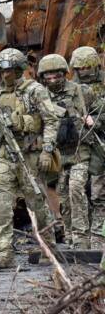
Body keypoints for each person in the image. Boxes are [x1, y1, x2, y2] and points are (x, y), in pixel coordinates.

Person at [0, 48, 58, 268]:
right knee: (2, 207)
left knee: (37, 204)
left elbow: (51, 121)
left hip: (29, 155)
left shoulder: (35, 91)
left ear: (20, 69)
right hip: (5, 156)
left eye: (10, 71)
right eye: (2, 71)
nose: (6, 75)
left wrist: (47, 150)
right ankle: (4, 255)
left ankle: (48, 248)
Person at [38, 54, 90, 248]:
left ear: (64, 74)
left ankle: (81, 238)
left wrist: (88, 119)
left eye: (56, 77)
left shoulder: (78, 90)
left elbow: (89, 112)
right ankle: (69, 236)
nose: (52, 81)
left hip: (79, 151)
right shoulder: (41, 94)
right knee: (63, 196)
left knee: (76, 189)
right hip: (57, 154)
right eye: (48, 78)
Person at [69, 46, 105, 248]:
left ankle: (99, 238)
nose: (83, 71)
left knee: (99, 193)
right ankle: (78, 237)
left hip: (101, 142)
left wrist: (96, 122)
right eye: (79, 68)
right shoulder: (72, 87)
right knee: (75, 189)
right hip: (79, 145)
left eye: (86, 67)